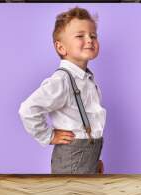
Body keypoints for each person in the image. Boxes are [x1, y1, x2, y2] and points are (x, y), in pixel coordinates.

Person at [18, 7, 106, 174]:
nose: (89, 40)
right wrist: (49, 136)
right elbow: (27, 110)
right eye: (80, 36)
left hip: (89, 158)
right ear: (61, 48)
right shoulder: (61, 81)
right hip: (72, 161)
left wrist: (94, 161)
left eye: (93, 35)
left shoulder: (87, 79)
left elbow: (92, 122)